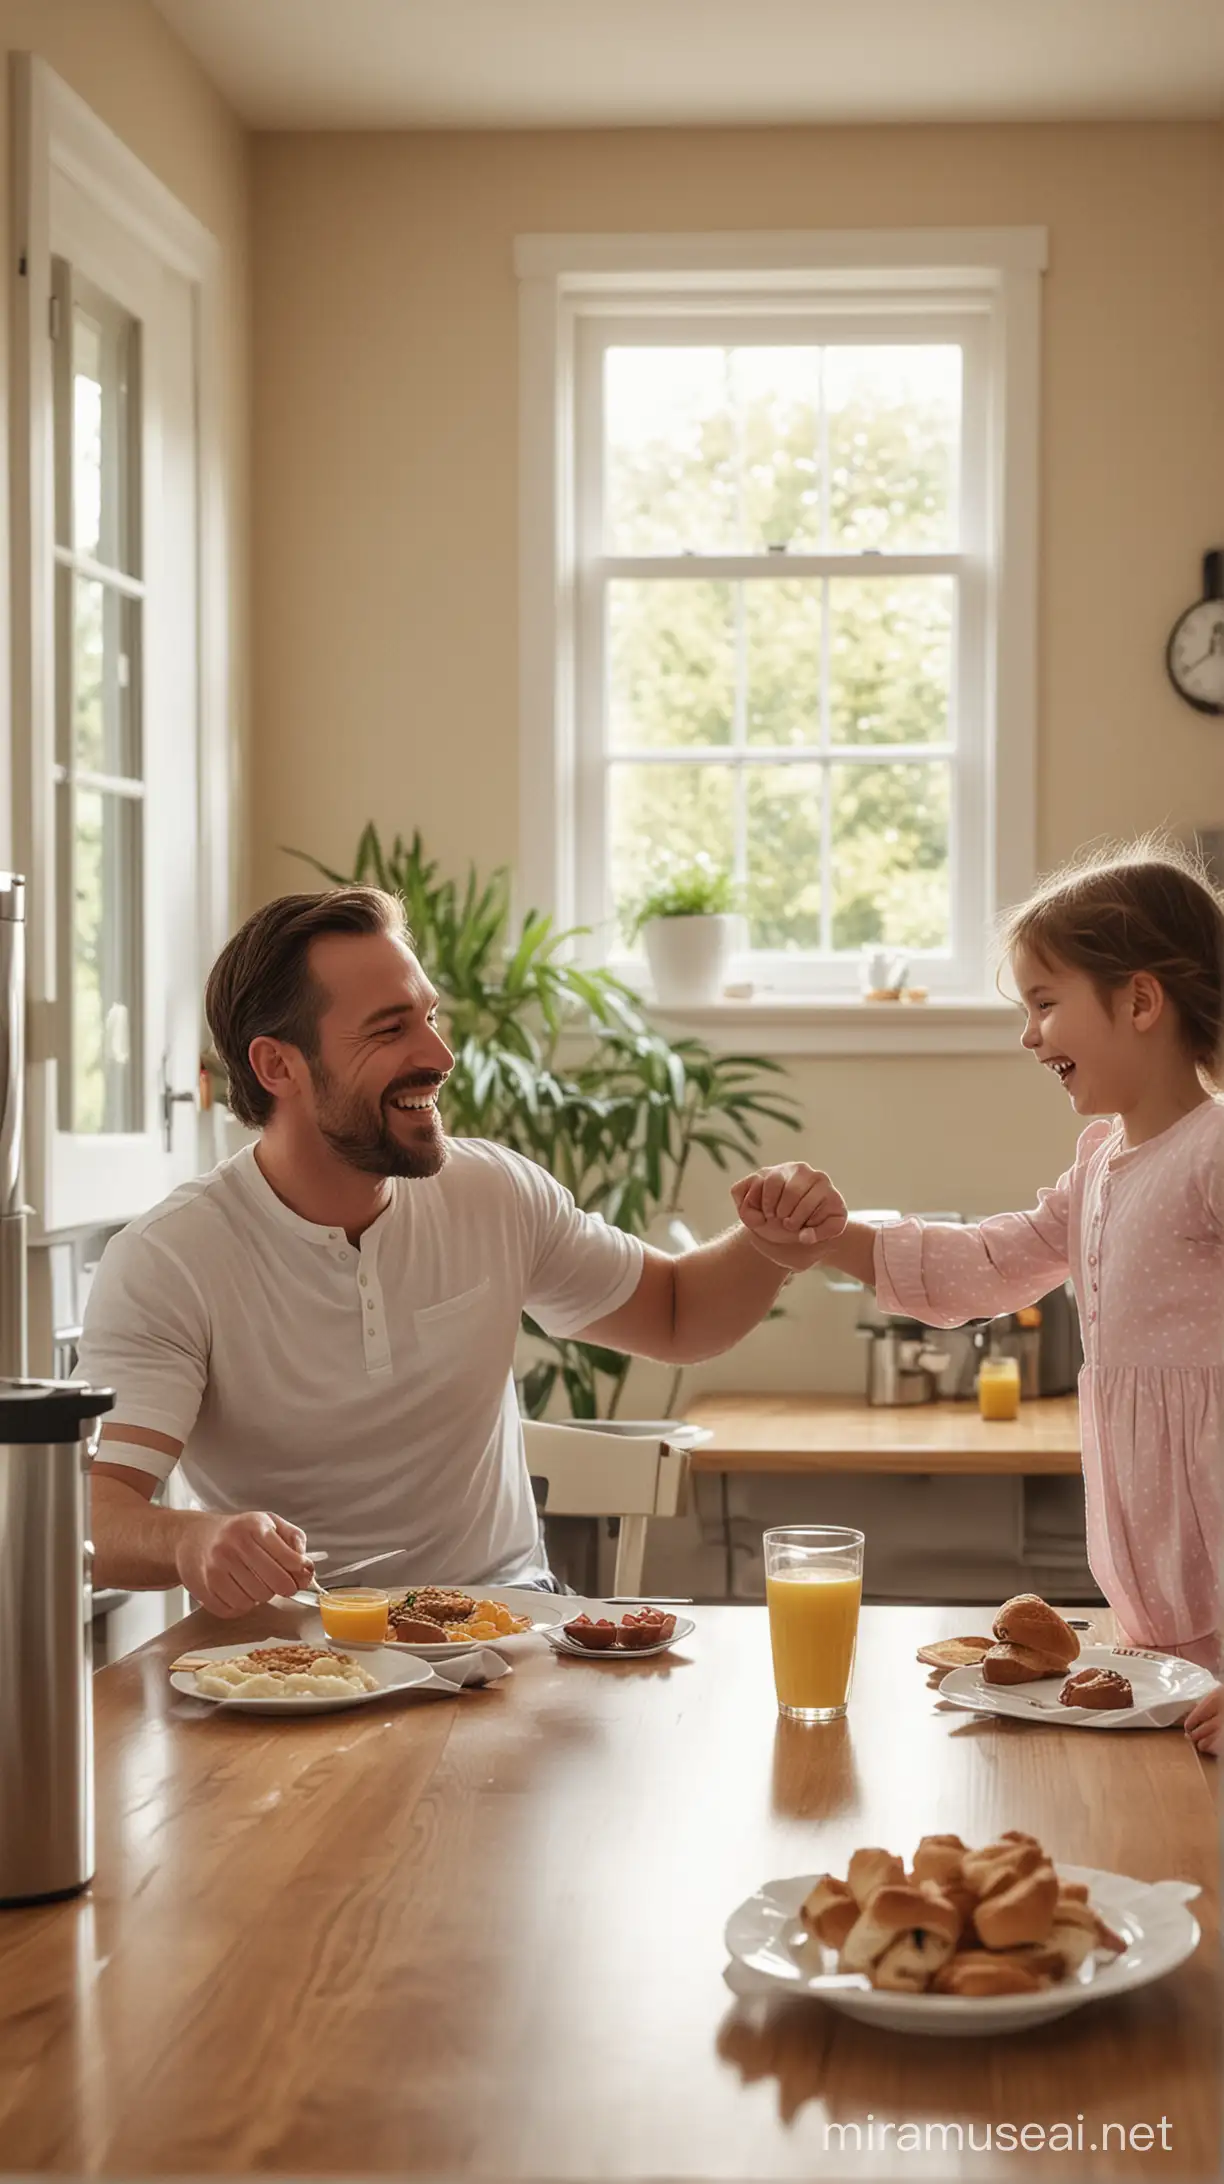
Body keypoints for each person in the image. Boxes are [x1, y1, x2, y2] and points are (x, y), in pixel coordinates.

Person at [81, 887, 842, 1617]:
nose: (440, 1055)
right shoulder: (170, 1259)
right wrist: (192, 1538)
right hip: (292, 1664)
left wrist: (766, 1245)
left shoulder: (493, 1192)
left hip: (508, 1633)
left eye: (430, 1017)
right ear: (279, 1066)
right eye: (390, 1029)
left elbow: (677, 1316)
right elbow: (96, 1519)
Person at [734, 841, 1223, 1758]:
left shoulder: (1213, 1153)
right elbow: (992, 1263)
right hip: (1152, 1604)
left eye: (1046, 1003)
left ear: (1142, 1001)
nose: (1030, 1036)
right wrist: (830, 1236)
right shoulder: (1099, 1166)